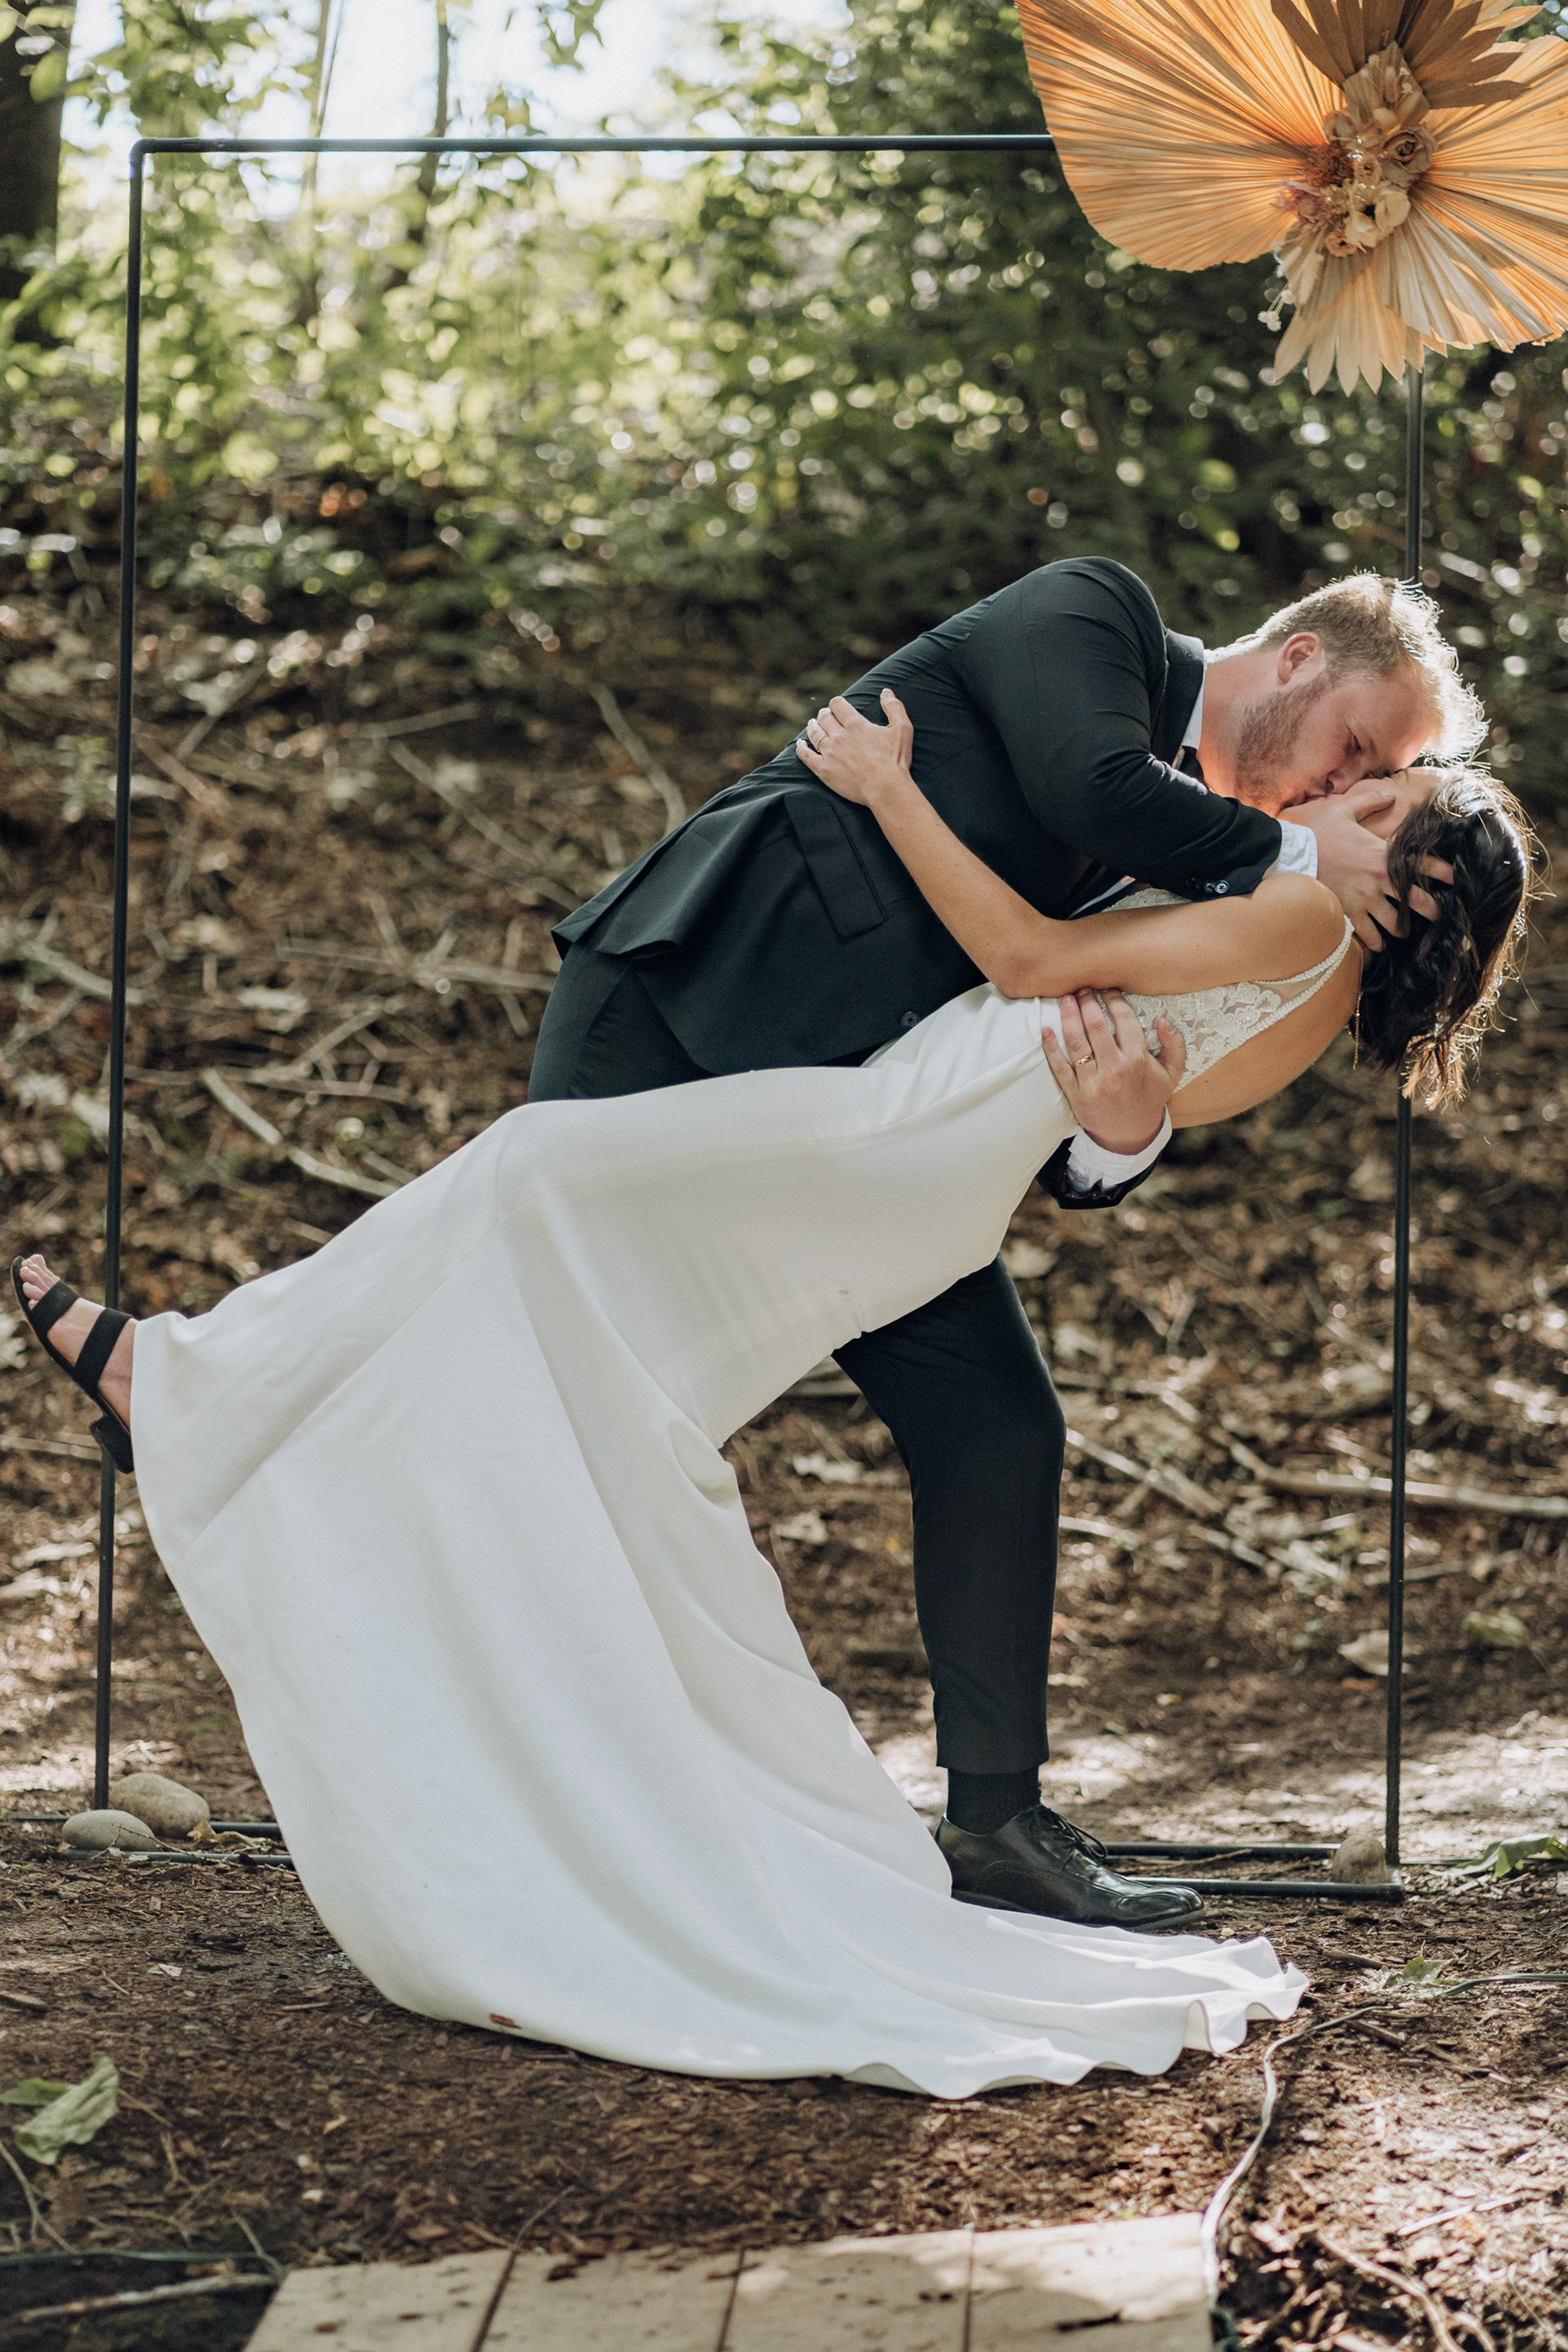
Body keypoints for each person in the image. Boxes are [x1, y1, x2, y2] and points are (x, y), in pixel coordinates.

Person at [10, 728, 1530, 2096]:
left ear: (1413, 886)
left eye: (1379, 805)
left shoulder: (1303, 913)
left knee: (535, 1176)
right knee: (595, 1347)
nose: (1340, 799)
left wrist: (888, 791)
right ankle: (255, 1418)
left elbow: (1030, 959)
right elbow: (1139, 1104)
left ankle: (196, 1383)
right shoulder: (1325, 990)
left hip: (901, 1133)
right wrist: (1126, 1120)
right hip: (934, 1165)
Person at [528, 559, 1477, 1923]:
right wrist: (1297, 854)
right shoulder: (1098, 617)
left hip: (858, 1133)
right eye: (1359, 749)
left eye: (1376, 782)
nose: (1348, 791)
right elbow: (1088, 789)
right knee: (574, 1393)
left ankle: (996, 1822)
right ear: (1298, 660)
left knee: (998, 1431)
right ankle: (542, 1769)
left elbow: (1050, 1023)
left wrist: (1122, 1136)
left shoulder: (1216, 844)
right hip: (685, 1006)